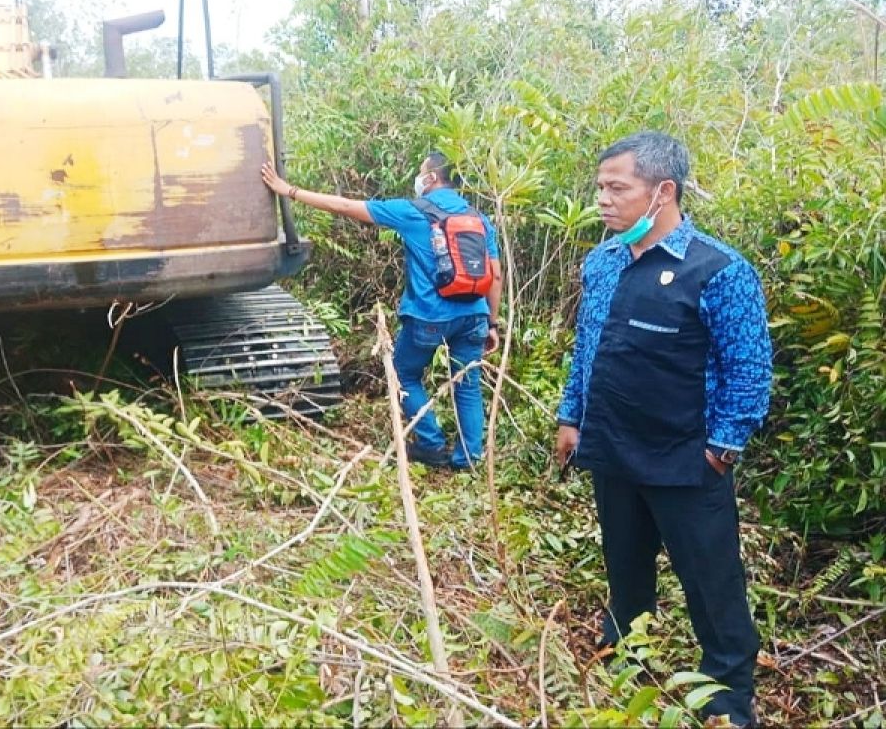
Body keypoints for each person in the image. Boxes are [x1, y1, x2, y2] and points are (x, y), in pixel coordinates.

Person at [554, 131, 772, 727]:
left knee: (711, 580)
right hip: (613, 449)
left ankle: (726, 694)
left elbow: (749, 371)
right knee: (624, 563)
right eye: (600, 186)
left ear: (663, 192)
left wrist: (720, 452)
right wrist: (571, 416)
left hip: (686, 460)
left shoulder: (719, 271)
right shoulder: (601, 263)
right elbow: (588, 349)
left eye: (616, 187)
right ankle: (627, 650)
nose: (602, 198)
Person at [261, 153, 503, 469]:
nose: (418, 179)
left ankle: (430, 443)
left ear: (430, 179)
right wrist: (492, 323)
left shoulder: (413, 212)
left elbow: (345, 206)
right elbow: (495, 274)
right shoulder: (480, 219)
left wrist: (288, 190)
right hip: (473, 315)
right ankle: (469, 459)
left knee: (403, 374)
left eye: (421, 172)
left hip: (430, 315)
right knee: (467, 384)